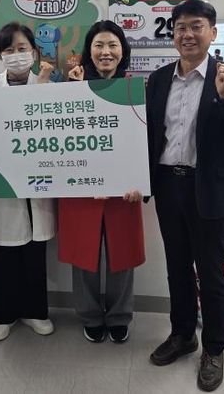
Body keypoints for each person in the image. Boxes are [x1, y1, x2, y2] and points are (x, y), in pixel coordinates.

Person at [145, 0, 224, 391]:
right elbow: (149, 134)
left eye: (196, 26)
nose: (187, 34)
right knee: (176, 266)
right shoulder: (159, 79)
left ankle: (213, 347)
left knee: (209, 273)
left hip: (209, 187)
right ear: (173, 34)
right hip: (168, 184)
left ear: (212, 32)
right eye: (180, 27)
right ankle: (182, 335)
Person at [0, 22, 57, 342]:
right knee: (4, 256)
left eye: (22, 49)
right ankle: (3, 315)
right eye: (8, 50)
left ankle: (36, 312)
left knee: (35, 256)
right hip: (3, 183)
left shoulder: (49, 87)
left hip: (38, 184)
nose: (16, 55)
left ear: (34, 52)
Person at [59, 20, 145, 344]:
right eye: (99, 45)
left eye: (112, 45)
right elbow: (61, 137)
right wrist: (72, 89)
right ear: (89, 51)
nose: (105, 52)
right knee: (85, 255)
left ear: (123, 50)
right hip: (82, 187)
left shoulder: (134, 88)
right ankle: (90, 315)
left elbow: (144, 140)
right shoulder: (71, 86)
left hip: (125, 189)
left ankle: (120, 315)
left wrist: (141, 182)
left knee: (123, 253)